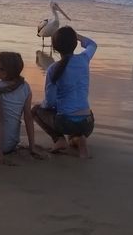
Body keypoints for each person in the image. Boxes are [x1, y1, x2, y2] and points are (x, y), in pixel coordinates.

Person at [32, 26, 96, 158]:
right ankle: (79, 140)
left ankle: (59, 140)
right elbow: (92, 44)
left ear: (55, 48)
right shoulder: (84, 59)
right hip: (88, 123)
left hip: (66, 123)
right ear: (74, 44)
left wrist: (42, 106)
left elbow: (50, 102)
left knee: (35, 110)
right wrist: (78, 36)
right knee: (75, 118)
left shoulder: (53, 69)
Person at [0, 51, 36, 163]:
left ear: (5, 72)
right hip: (13, 143)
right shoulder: (25, 87)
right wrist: (32, 147)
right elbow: (28, 118)